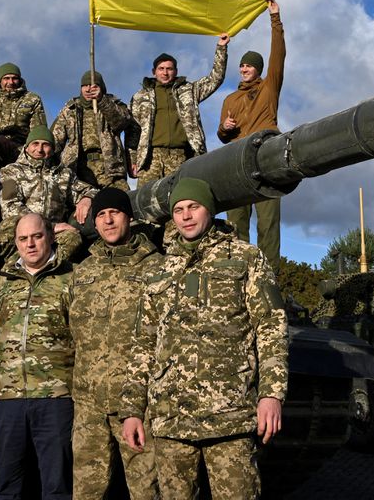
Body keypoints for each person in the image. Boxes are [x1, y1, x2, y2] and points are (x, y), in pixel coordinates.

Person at [120, 178, 288, 499]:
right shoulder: (159, 269)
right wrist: (132, 410)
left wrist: (272, 394)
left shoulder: (246, 258)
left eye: (193, 207)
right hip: (170, 419)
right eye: (179, 210)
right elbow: (143, 343)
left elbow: (271, 326)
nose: (185, 216)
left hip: (229, 415)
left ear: (209, 210)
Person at [69, 188, 163, 499]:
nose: (108, 220)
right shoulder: (83, 272)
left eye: (115, 213)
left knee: (146, 490)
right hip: (88, 404)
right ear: (94, 223)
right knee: (87, 491)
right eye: (101, 215)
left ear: (129, 217)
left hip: (138, 403)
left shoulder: (155, 267)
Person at [0, 213, 74, 500]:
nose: (30, 244)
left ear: (50, 236)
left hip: (55, 396)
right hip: (8, 396)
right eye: (23, 239)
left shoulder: (70, 278)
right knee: (5, 486)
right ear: (16, 243)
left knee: (56, 486)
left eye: (37, 236)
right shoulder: (3, 281)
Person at [218, 0, 285, 272]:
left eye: (250, 65)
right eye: (242, 65)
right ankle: (238, 278)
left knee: (268, 224)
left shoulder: (269, 88)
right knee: (235, 225)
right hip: (236, 163)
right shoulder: (230, 98)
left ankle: (270, 278)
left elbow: (278, 55)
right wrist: (225, 128)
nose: (245, 69)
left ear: (258, 69)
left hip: (266, 159)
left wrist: (275, 19)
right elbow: (222, 136)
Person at [128, 35, 229, 187]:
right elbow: (133, 130)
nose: (165, 73)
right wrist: (133, 159)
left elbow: (215, 79)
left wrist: (221, 47)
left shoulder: (189, 90)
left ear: (175, 71)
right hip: (150, 158)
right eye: (161, 69)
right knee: (147, 204)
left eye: (169, 69)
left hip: (180, 156)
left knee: (179, 200)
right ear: (154, 71)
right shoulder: (140, 97)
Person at [0, 125, 97, 261]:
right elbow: (9, 206)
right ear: (26, 147)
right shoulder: (10, 171)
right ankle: (13, 267)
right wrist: (49, 226)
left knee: (73, 236)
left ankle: (50, 269)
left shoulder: (64, 174)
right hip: (24, 231)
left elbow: (90, 190)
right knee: (7, 227)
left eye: (45, 145)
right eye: (35, 144)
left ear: (52, 149)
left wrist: (86, 198)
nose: (39, 149)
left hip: (52, 235)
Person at [52, 70, 135, 191]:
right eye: (85, 85)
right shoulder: (70, 109)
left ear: (101, 87)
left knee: (121, 200)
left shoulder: (114, 104)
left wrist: (102, 100)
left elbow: (122, 122)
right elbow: (55, 139)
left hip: (110, 168)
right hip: (79, 168)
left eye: (93, 85)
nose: (88, 89)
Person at [0, 62, 48, 168]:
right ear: (0, 80)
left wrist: (26, 147)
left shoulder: (32, 99)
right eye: (6, 78)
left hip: (21, 149)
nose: (11, 82)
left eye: (14, 78)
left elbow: (38, 130)